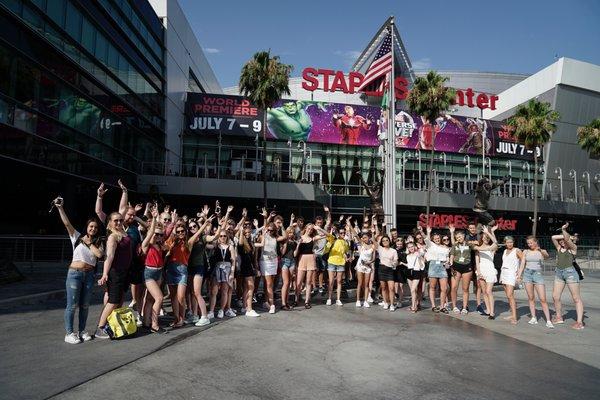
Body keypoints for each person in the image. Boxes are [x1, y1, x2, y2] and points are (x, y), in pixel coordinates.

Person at [54, 197, 104, 344]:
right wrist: (60, 208)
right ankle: (69, 333)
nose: (93, 229)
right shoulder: (77, 237)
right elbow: (67, 223)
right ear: (87, 227)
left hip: (89, 275)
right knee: (72, 305)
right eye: (91, 227)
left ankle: (82, 330)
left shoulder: (98, 242)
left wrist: (89, 243)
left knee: (85, 305)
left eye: (95, 227)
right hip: (74, 274)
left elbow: (99, 254)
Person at [95, 212, 133, 339]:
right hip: (115, 272)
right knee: (113, 301)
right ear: (110, 222)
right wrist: (104, 274)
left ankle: (111, 324)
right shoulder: (112, 237)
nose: (118, 222)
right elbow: (109, 256)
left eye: (120, 220)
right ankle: (100, 328)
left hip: (124, 272)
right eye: (115, 220)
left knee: (120, 300)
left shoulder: (123, 232)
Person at [551, 223, 584, 329]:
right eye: (561, 240)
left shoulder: (573, 248)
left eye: (563, 240)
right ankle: (559, 317)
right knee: (555, 296)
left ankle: (579, 322)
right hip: (559, 273)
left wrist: (565, 232)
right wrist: (566, 235)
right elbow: (553, 237)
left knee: (576, 298)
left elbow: (567, 240)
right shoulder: (559, 248)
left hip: (570, 274)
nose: (561, 241)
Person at [140, 207, 168, 333]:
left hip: (158, 273)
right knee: (159, 298)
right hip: (149, 273)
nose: (158, 236)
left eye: (160, 234)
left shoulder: (160, 245)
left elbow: (167, 235)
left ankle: (146, 322)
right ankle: (154, 325)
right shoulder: (146, 244)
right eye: (156, 234)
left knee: (150, 299)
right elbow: (150, 233)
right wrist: (155, 218)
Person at [517, 236, 554, 328]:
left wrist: (540, 250)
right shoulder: (526, 251)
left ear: (535, 242)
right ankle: (533, 317)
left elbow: (546, 257)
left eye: (531, 243)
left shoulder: (542, 251)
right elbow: (522, 264)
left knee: (542, 298)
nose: (529, 244)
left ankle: (548, 320)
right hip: (527, 274)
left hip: (537, 275)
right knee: (531, 297)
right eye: (528, 243)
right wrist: (519, 275)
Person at [187, 214, 216, 326]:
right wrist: (204, 224)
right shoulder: (189, 239)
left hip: (199, 267)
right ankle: (194, 315)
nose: (193, 228)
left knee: (197, 292)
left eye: (194, 226)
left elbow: (213, 238)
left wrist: (218, 226)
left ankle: (204, 316)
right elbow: (191, 241)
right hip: (189, 267)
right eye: (190, 227)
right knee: (191, 293)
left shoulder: (203, 238)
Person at [165, 222, 191, 327]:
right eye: (178, 231)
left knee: (181, 296)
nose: (180, 233)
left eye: (182, 231)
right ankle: (176, 319)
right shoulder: (172, 241)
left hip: (182, 270)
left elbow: (199, 233)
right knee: (173, 296)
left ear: (185, 232)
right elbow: (165, 252)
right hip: (171, 269)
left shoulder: (188, 242)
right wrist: (170, 247)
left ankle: (181, 319)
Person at [294, 223, 327, 309]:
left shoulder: (313, 238)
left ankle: (307, 301)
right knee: (299, 282)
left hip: (311, 260)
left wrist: (318, 228)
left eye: (311, 229)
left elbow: (326, 235)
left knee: (309, 282)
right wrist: (298, 243)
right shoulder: (300, 237)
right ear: (305, 228)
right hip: (301, 260)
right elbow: (296, 252)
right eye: (308, 228)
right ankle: (296, 300)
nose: (310, 230)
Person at [208, 229, 237, 319]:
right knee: (214, 291)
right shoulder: (215, 246)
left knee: (225, 291)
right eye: (221, 236)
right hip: (217, 269)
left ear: (227, 237)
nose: (223, 237)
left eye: (224, 236)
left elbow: (233, 261)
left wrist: (232, 273)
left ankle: (221, 310)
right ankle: (211, 311)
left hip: (227, 269)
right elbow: (206, 244)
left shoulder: (230, 247)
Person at [423, 226, 450, 313]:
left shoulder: (445, 247)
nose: (437, 239)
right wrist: (428, 232)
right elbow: (426, 239)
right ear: (433, 239)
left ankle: (442, 306)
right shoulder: (431, 245)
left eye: (438, 238)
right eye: (435, 238)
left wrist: (447, 263)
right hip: (433, 265)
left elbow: (447, 258)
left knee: (444, 288)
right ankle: (433, 306)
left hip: (442, 266)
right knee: (432, 287)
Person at [474, 226, 499, 320]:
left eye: (487, 238)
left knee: (489, 291)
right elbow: (477, 260)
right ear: (481, 238)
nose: (486, 239)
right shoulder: (478, 248)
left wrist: (489, 232)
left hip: (490, 271)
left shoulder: (491, 248)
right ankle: (488, 310)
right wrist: (479, 272)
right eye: (484, 237)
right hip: (481, 271)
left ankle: (492, 312)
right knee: (484, 292)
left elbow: (495, 242)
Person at [449, 225, 473, 314]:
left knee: (465, 288)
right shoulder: (455, 245)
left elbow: (478, 247)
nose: (459, 238)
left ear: (463, 236)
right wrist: (451, 264)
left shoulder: (469, 244)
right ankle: (454, 306)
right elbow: (451, 255)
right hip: (456, 267)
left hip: (467, 267)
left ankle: (464, 307)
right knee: (454, 287)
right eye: (457, 237)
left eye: (460, 236)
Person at [237, 226, 260, 317]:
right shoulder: (241, 243)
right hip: (245, 267)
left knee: (247, 288)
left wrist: (255, 267)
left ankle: (244, 307)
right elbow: (241, 243)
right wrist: (241, 232)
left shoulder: (251, 243)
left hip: (250, 267)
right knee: (251, 287)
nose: (247, 234)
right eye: (245, 233)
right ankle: (249, 309)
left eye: (248, 233)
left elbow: (253, 257)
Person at [326, 225, 351, 306]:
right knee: (331, 281)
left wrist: (347, 257)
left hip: (341, 263)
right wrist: (331, 230)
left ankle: (338, 299)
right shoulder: (333, 239)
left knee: (339, 281)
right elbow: (329, 236)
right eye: (341, 233)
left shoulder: (345, 242)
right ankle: (329, 298)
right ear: (338, 234)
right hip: (332, 261)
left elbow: (346, 252)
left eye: (344, 232)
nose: (343, 234)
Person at [500, 236, 522, 324]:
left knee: (510, 295)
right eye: (507, 242)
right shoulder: (505, 251)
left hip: (511, 274)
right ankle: (512, 314)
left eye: (511, 242)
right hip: (504, 272)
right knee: (508, 296)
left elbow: (524, 260)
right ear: (505, 243)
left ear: (513, 242)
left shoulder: (517, 250)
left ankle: (515, 317)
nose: (509, 244)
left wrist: (519, 272)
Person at [376, 234, 399, 311]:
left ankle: (392, 304)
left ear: (389, 241)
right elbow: (373, 241)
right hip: (381, 269)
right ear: (381, 242)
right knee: (383, 287)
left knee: (391, 288)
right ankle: (385, 302)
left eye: (386, 240)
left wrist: (394, 263)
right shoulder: (380, 249)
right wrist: (373, 232)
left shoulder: (394, 251)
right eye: (383, 241)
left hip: (390, 270)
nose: (385, 242)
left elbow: (396, 260)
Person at [353, 231, 375, 308]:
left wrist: (368, 262)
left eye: (365, 237)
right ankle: (358, 300)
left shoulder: (373, 246)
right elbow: (355, 234)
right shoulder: (362, 243)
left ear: (369, 237)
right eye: (363, 238)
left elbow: (373, 258)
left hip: (368, 266)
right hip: (360, 265)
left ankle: (365, 301)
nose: (364, 239)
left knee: (366, 284)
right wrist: (349, 224)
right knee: (360, 283)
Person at [280, 227, 297, 310]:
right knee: (286, 283)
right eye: (289, 232)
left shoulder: (294, 242)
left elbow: (294, 254)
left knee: (289, 283)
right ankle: (283, 303)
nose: (291, 234)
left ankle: (286, 302)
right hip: (284, 261)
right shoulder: (283, 240)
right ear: (287, 233)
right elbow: (282, 253)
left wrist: (298, 244)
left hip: (292, 261)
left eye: (292, 232)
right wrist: (286, 242)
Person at [406, 241, 425, 313]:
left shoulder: (418, 254)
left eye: (412, 246)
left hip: (417, 272)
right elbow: (409, 265)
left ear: (414, 247)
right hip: (409, 272)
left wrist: (420, 256)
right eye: (409, 247)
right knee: (413, 291)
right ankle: (414, 305)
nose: (411, 248)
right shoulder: (408, 256)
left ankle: (414, 307)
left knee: (413, 290)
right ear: (408, 248)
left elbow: (422, 265)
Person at [394, 237, 407, 306]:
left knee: (401, 286)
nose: (399, 245)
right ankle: (396, 300)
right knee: (395, 285)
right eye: (398, 244)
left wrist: (401, 262)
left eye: (400, 244)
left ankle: (400, 301)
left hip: (402, 270)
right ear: (396, 243)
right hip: (395, 270)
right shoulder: (393, 250)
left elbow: (406, 260)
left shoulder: (405, 250)